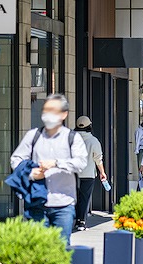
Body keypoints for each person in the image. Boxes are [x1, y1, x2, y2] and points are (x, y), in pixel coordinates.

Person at [9, 94, 87, 245]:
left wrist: (56, 163)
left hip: (63, 205)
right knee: (37, 249)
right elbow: (16, 159)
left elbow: (81, 162)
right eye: (46, 110)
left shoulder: (72, 138)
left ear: (64, 114)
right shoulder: (33, 136)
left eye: (53, 110)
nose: (48, 114)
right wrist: (31, 174)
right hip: (36, 203)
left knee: (61, 248)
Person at [73, 116, 106, 231]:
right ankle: (81, 222)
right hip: (87, 174)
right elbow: (98, 159)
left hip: (72, 173)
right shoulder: (93, 141)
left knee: (73, 197)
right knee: (84, 198)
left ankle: (74, 219)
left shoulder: (70, 138)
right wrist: (102, 172)